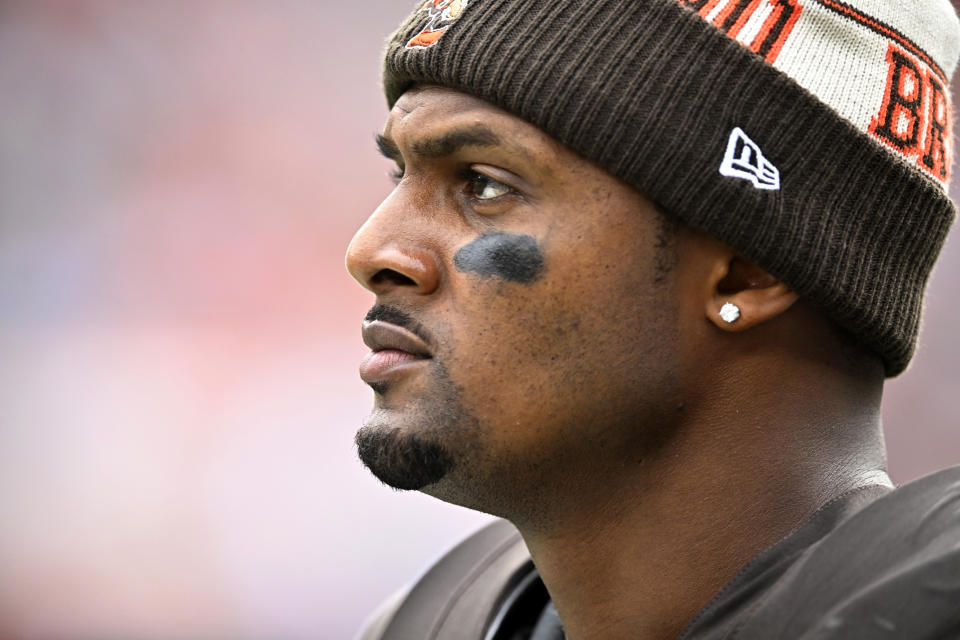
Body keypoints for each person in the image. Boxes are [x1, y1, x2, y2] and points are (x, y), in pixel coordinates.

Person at [345, 0, 960, 638]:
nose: (368, 251)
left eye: (485, 182)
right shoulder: (435, 620)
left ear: (746, 271)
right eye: (400, 171)